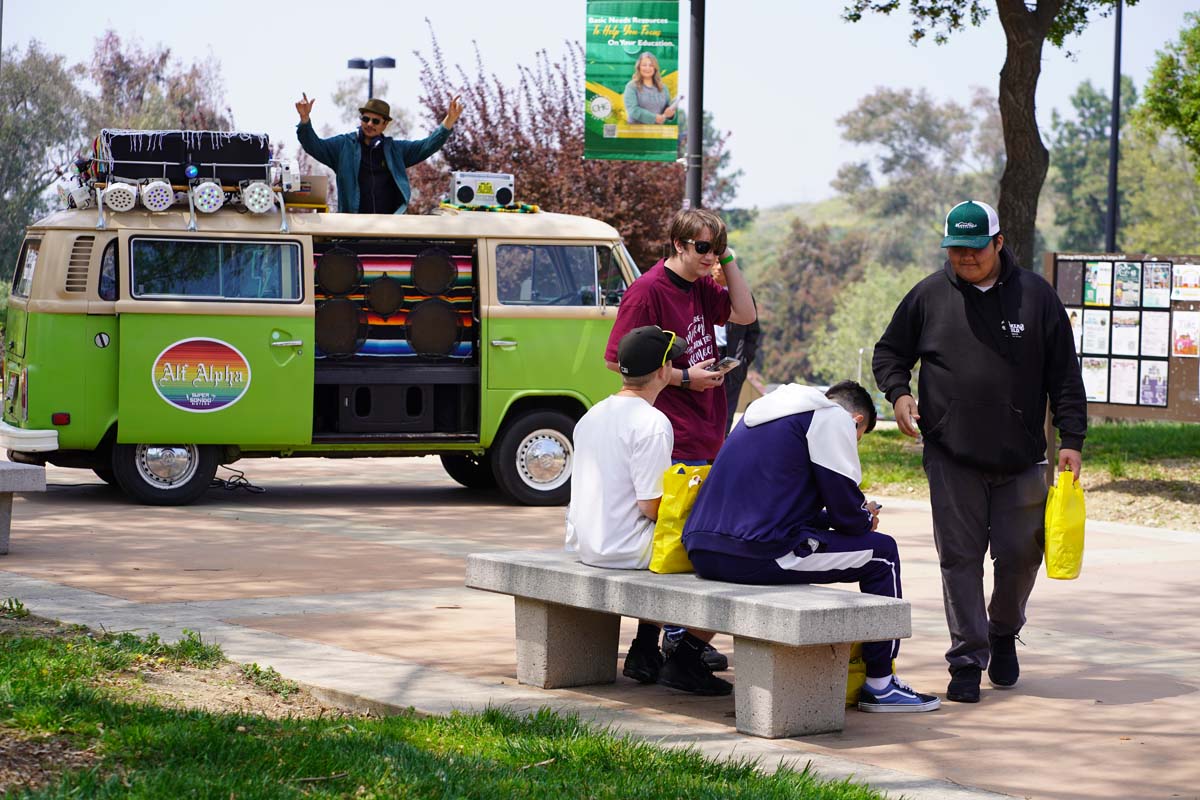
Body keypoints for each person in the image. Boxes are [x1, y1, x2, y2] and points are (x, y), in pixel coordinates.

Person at [873, 200, 1087, 704]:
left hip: (1022, 457)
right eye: (954, 250)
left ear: (998, 243)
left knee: (1020, 557)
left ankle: (1002, 630)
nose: (964, 259)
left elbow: (1065, 376)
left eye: (973, 249)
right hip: (951, 454)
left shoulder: (1036, 297)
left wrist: (1072, 440)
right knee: (959, 560)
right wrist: (900, 393)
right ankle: (967, 659)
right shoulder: (928, 294)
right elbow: (890, 352)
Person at [682, 381, 941, 713]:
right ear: (856, 421)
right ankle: (881, 684)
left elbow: (780, 505)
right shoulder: (831, 419)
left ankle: (684, 658)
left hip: (703, 548)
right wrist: (865, 519)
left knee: (845, 545)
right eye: (857, 441)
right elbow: (849, 515)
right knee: (883, 553)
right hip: (755, 553)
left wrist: (840, 518)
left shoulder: (768, 413)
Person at [602, 207, 755, 684]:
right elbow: (617, 361)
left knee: (685, 542)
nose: (712, 257)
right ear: (679, 244)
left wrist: (728, 259)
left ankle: (665, 644)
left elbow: (746, 313)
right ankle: (652, 645)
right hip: (670, 431)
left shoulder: (704, 287)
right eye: (705, 248)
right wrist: (685, 377)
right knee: (672, 542)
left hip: (707, 429)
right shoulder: (648, 291)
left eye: (718, 247)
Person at [566, 326, 729, 696]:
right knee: (722, 553)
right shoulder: (653, 423)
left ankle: (644, 650)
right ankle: (687, 657)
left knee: (664, 539)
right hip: (623, 549)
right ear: (661, 372)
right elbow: (653, 506)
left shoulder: (593, 414)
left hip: (588, 542)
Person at [294, 94, 465, 214]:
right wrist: (304, 119)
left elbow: (426, 146)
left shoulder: (396, 150)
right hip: (350, 229)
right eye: (365, 119)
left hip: (388, 229)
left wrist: (449, 120)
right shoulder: (343, 146)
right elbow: (313, 145)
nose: (369, 124)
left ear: (384, 125)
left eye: (375, 121)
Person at [712, 258, 761, 433]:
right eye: (716, 263)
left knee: (726, 411)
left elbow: (753, 332)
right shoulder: (702, 291)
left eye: (722, 264)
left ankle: (719, 455)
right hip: (707, 354)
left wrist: (744, 359)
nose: (718, 268)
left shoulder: (741, 296)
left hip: (732, 358)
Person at [623, 52, 676, 125]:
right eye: (644, 65)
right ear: (639, 67)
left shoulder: (663, 87)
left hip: (658, 132)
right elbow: (633, 110)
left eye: (651, 65)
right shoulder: (631, 86)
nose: (647, 68)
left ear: (655, 68)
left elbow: (667, 107)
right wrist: (654, 118)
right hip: (636, 132)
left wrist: (670, 113)